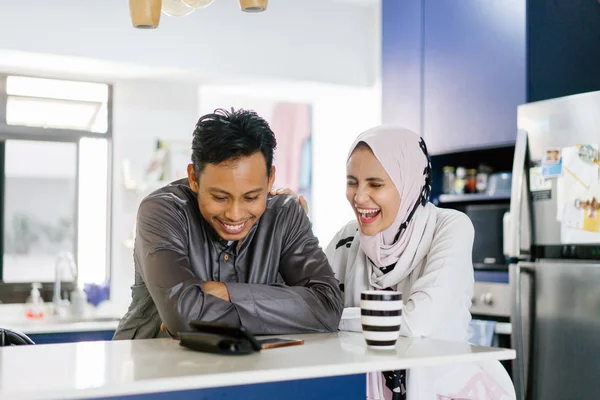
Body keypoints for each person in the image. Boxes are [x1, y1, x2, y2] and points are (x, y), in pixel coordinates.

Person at [278, 126, 515, 399]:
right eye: (352, 182)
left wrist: (330, 317)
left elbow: (416, 323)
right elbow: (303, 300)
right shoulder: (349, 237)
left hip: (445, 390)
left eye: (375, 184)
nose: (359, 197)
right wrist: (295, 235)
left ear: (408, 183)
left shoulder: (450, 227)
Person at [113, 108, 343, 340]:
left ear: (270, 179)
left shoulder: (285, 213)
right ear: (193, 177)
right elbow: (184, 317)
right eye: (220, 198)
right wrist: (285, 306)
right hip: (152, 369)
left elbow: (328, 307)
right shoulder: (162, 211)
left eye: (251, 197)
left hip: (241, 370)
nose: (235, 214)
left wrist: (225, 292)